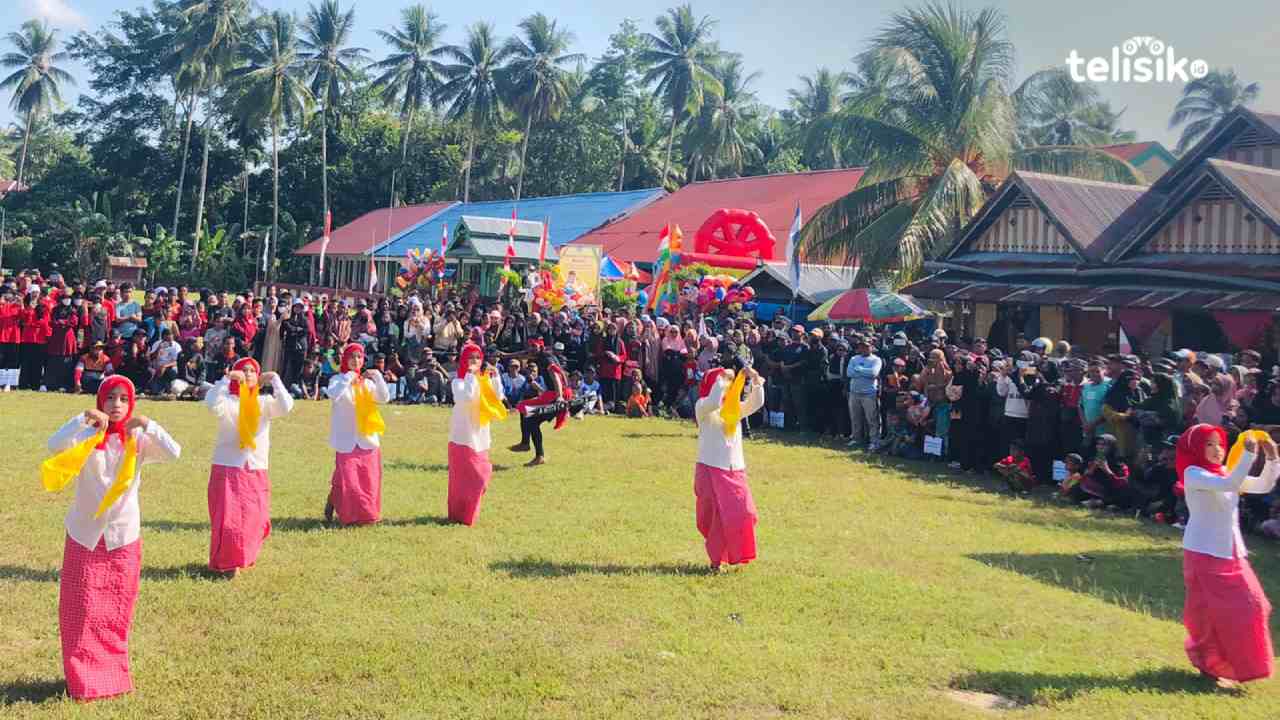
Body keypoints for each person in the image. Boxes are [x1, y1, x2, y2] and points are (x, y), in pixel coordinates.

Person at [41, 376, 182, 701]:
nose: (116, 405)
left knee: (115, 612)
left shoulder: (139, 440)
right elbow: (53, 445)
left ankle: (111, 677)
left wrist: (148, 423)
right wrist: (82, 419)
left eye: (122, 399)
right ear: (100, 402)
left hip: (122, 537)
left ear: (130, 404)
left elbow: (174, 453)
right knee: (80, 611)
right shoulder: (88, 436)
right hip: (85, 535)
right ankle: (81, 681)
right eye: (109, 398)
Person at [1178, 424, 1279, 685]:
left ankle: (1235, 665)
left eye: (1219, 443)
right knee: (1209, 615)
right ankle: (1210, 666)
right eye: (1209, 444)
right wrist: (1247, 454)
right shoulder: (1193, 473)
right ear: (1196, 449)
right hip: (1204, 551)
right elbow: (1230, 483)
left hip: (1231, 552)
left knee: (1254, 605)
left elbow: (1263, 485)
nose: (1217, 449)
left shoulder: (1223, 471)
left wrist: (1271, 457)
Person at [204, 358, 294, 577]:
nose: (248, 374)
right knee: (228, 519)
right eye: (243, 370)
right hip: (228, 465)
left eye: (252, 371)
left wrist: (274, 379)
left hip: (255, 467)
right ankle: (227, 562)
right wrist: (226, 380)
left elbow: (286, 406)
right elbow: (211, 403)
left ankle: (244, 555)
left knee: (256, 517)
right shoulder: (227, 400)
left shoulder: (264, 403)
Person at [693, 364, 766, 571]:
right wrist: (721, 378)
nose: (728, 387)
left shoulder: (734, 409)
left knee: (746, 513)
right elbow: (715, 399)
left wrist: (754, 379)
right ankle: (716, 561)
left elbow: (757, 402)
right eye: (725, 382)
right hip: (709, 468)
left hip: (734, 471)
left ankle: (735, 554)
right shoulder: (703, 406)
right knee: (714, 518)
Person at [324, 343, 390, 525]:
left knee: (369, 480)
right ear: (345, 359)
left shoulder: (367, 384)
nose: (356, 360)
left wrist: (377, 376)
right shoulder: (337, 380)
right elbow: (334, 394)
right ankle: (348, 514)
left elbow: (384, 398)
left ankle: (367, 515)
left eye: (359, 357)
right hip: (346, 438)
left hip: (367, 438)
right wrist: (349, 377)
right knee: (349, 480)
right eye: (352, 357)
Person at [447, 343, 506, 526]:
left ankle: (470, 512)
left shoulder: (483, 379)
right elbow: (467, 397)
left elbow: (499, 397)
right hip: (463, 435)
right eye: (471, 358)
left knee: (482, 476)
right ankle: (459, 513)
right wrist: (471, 375)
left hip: (480, 434)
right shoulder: (458, 381)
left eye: (478, 358)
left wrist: (495, 378)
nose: (475, 361)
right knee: (462, 479)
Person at [846, 337, 882, 449]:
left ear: (871, 347)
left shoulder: (876, 360)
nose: (864, 348)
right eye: (861, 346)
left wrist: (859, 369)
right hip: (854, 393)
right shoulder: (853, 358)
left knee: (872, 418)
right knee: (855, 417)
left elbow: (874, 373)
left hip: (869, 393)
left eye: (866, 346)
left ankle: (874, 441)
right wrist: (865, 372)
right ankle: (856, 438)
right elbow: (849, 373)